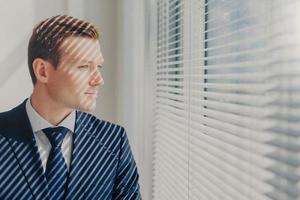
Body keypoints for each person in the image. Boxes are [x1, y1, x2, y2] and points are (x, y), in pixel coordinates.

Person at [0, 15, 141, 200]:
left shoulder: (114, 142)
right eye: (84, 66)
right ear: (42, 71)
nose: (98, 80)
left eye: (99, 67)